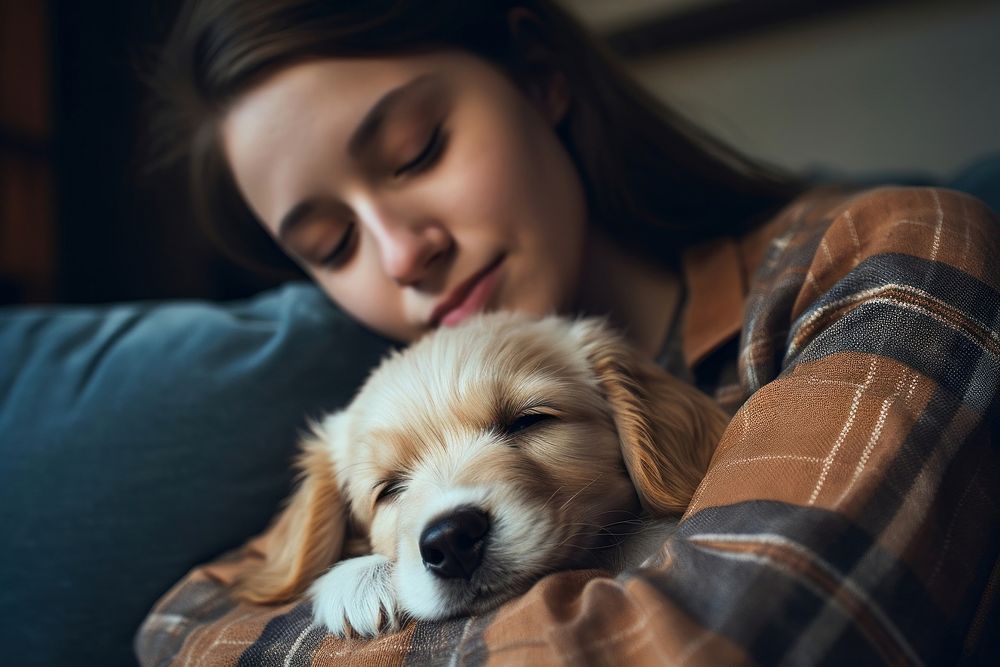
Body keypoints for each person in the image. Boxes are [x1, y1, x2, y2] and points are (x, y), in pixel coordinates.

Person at [139, 0, 999, 664]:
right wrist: (357, 585)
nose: (403, 254)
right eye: (332, 244)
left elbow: (722, 642)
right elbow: (180, 624)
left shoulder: (891, 254)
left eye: (417, 149)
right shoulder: (375, 418)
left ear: (541, 72)